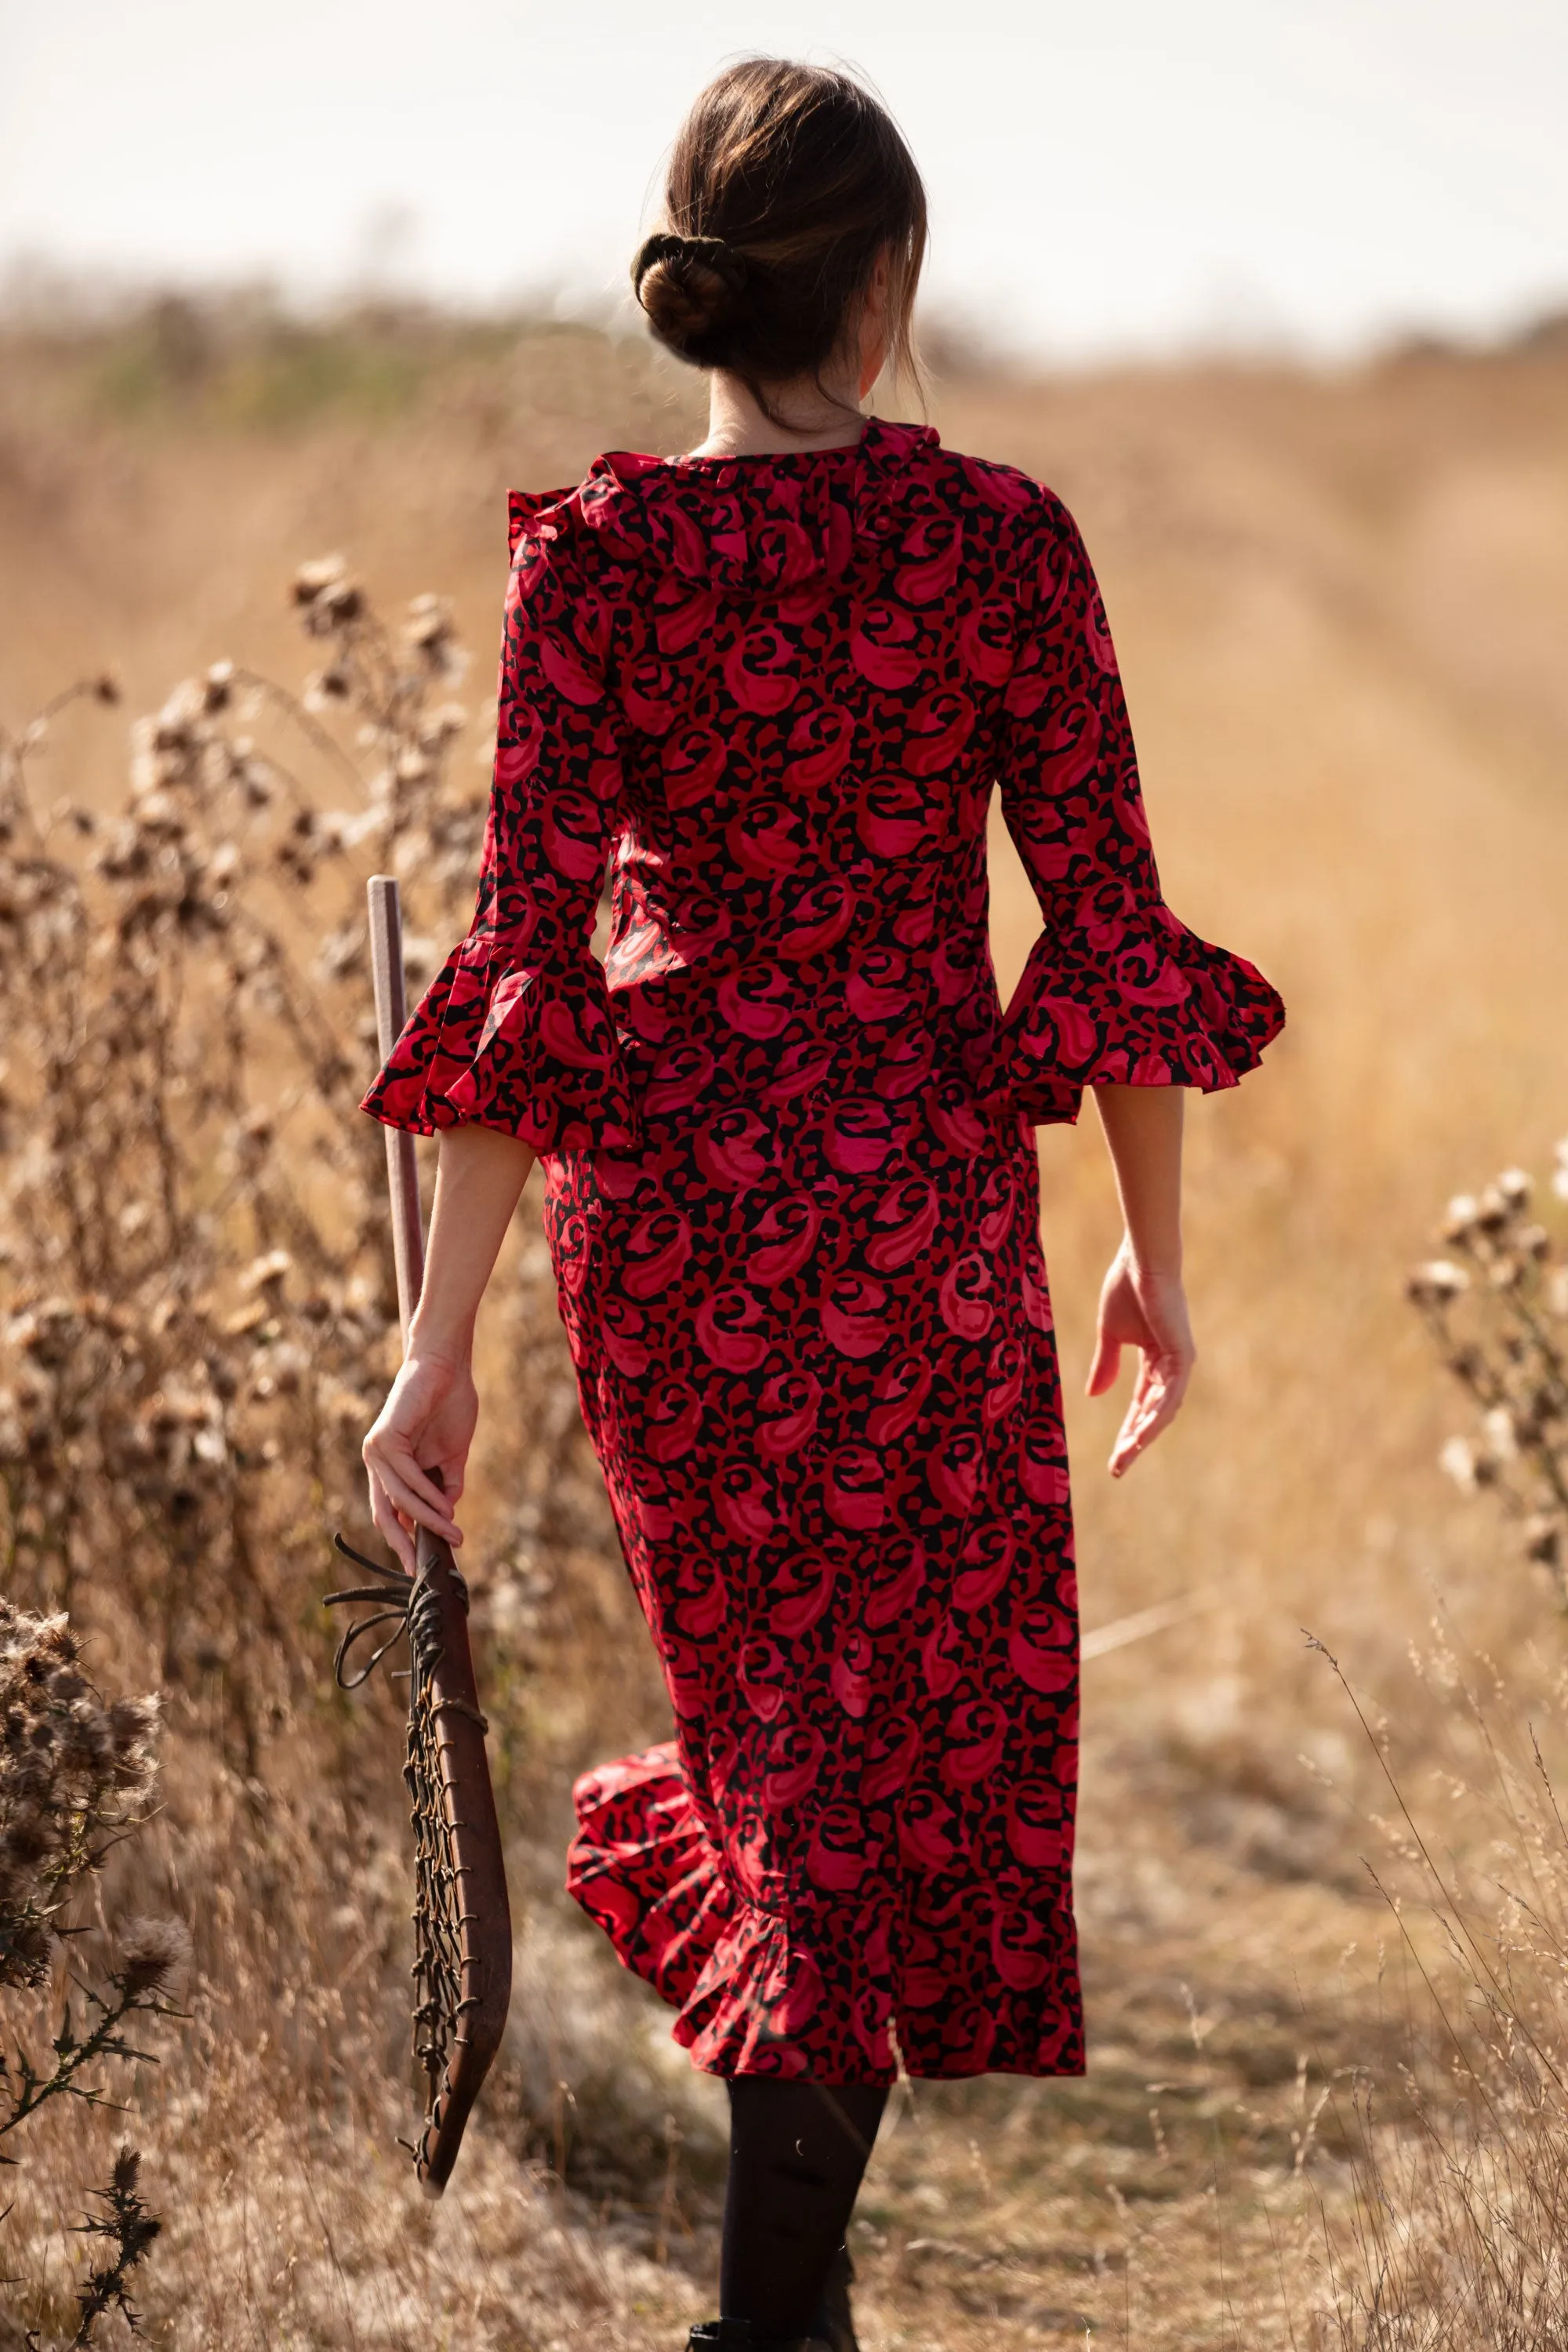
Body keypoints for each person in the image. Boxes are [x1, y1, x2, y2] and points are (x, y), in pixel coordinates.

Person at [361, 56, 1284, 2352]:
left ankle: (782, 2313)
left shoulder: (594, 565)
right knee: (880, 1768)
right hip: (922, 1225)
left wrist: (440, 1344)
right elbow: (1110, 935)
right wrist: (1155, 1269)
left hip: (673, 1238)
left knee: (789, 1753)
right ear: (883, 289)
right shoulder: (1001, 543)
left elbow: (521, 985)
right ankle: (774, 2322)